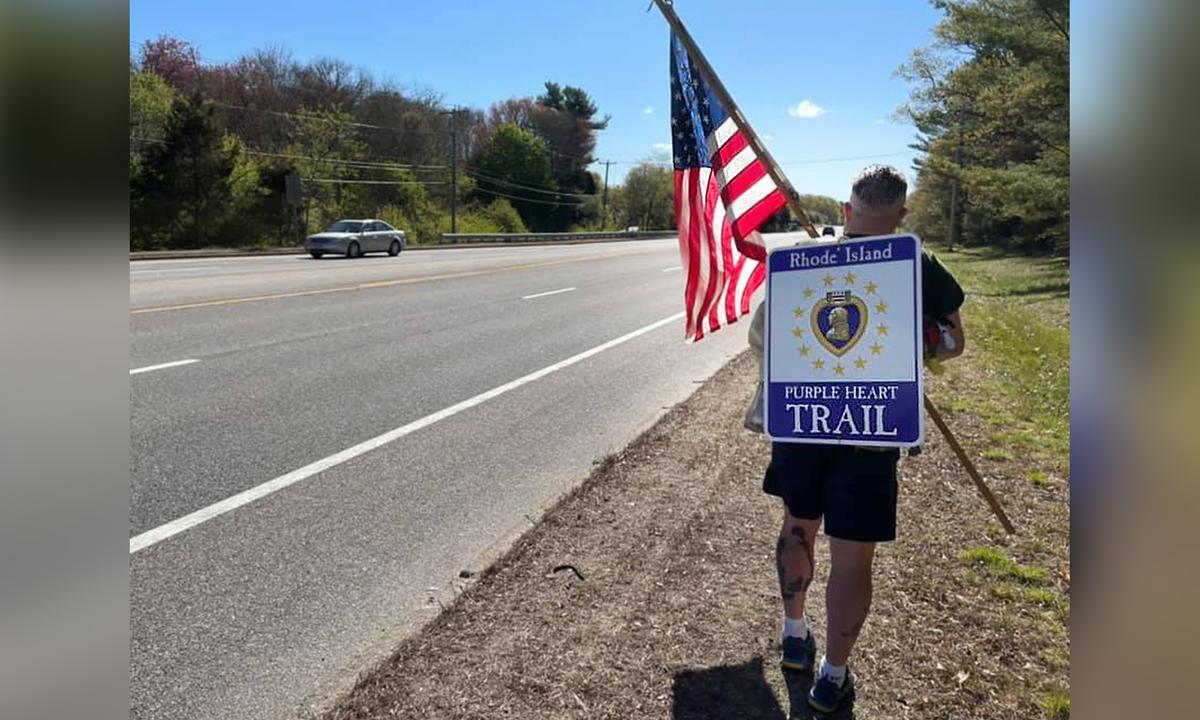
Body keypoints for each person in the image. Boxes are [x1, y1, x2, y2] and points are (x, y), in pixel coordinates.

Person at [748, 164, 966, 714]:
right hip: (872, 432)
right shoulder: (919, 263)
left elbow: (761, 338)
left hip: (802, 425)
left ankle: (793, 634)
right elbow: (953, 343)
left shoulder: (803, 258)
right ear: (902, 216)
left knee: (798, 527)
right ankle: (832, 675)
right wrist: (918, 345)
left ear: (847, 212)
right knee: (853, 561)